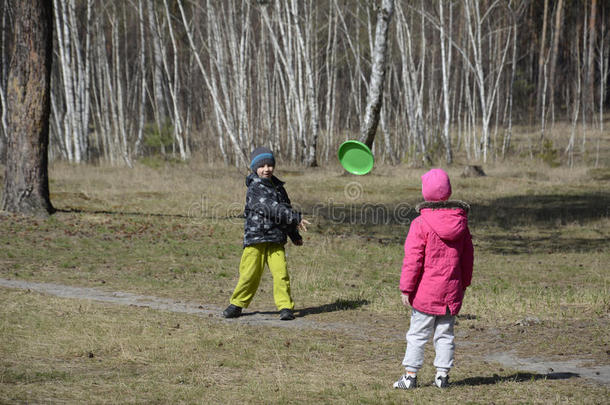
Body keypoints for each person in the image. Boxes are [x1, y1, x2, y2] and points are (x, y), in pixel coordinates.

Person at [393, 168, 474, 389]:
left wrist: (406, 289)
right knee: (445, 334)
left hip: (425, 294)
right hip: (451, 292)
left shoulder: (420, 223)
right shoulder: (461, 222)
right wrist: (464, 283)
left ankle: (410, 376)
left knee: (418, 334)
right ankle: (442, 375)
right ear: (448, 192)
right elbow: (468, 258)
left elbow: (413, 259)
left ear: (425, 193)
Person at [222, 147, 309, 321]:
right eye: (262, 166)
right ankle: (237, 304)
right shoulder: (255, 188)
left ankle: (285, 307)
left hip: (276, 239)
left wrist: (294, 235)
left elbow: (284, 211)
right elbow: (271, 208)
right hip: (256, 239)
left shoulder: (279, 188)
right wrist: (295, 218)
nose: (267, 169)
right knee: (250, 274)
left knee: (281, 274)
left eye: (270, 165)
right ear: (255, 168)